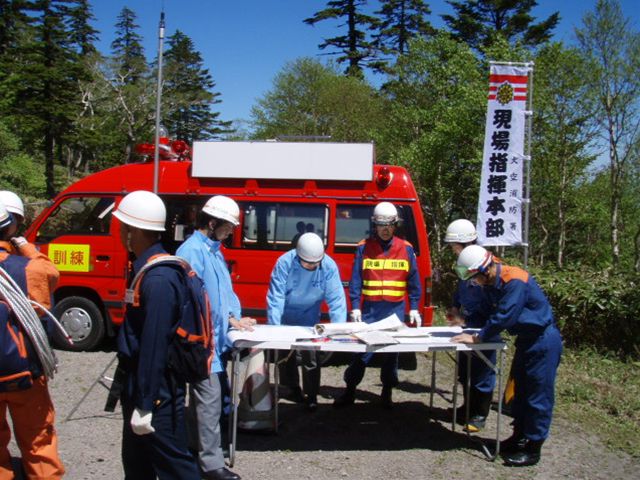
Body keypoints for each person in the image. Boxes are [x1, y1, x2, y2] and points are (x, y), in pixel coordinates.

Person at [113, 190, 200, 480]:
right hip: (143, 384)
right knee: (137, 467)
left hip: (157, 390)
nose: (119, 232)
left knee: (176, 467)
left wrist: (146, 402)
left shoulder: (159, 279)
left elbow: (154, 345)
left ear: (133, 231)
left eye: (123, 227)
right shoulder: (147, 269)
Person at [451, 245, 563, 467]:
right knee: (519, 392)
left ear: (485, 269)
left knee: (537, 395)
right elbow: (485, 313)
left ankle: (533, 447)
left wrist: (478, 337)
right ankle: (518, 438)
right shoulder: (490, 284)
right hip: (525, 341)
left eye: (475, 277)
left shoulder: (514, 280)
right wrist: (464, 322)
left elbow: (505, 316)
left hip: (543, 340)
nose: (475, 283)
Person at [176, 195, 255, 480]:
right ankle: (211, 466)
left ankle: (194, 449)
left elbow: (222, 292)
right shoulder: (191, 251)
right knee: (210, 401)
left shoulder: (214, 251)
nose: (231, 231)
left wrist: (233, 318)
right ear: (212, 223)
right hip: (202, 341)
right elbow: (193, 300)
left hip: (215, 340)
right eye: (228, 226)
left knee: (206, 399)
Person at [334, 201, 422, 409]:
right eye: (381, 225)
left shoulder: (406, 249)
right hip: (370, 312)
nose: (385, 229)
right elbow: (356, 279)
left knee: (391, 355)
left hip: (394, 312)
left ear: (395, 225)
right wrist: (355, 306)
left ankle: (387, 392)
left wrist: (414, 307)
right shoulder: (363, 247)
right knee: (361, 353)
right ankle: (350, 391)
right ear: (375, 224)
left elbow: (414, 281)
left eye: (389, 225)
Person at [0, 201, 65, 479]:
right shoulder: (27, 268)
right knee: (38, 439)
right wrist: (25, 246)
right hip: (25, 370)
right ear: (11, 228)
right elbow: (51, 273)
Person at [267, 232, 347, 411]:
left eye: (315, 263)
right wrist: (275, 328)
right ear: (298, 256)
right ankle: (292, 389)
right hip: (286, 315)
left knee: (311, 356)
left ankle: (311, 394)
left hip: (309, 317)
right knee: (285, 356)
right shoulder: (284, 263)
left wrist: (338, 329)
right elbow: (276, 296)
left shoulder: (328, 266)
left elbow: (336, 299)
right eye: (307, 263)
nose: (312, 266)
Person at [443, 219, 496, 432]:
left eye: (454, 246)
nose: (453, 250)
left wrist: (469, 321)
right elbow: (460, 288)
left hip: (482, 327)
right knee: (465, 371)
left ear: (466, 243)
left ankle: (479, 415)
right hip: (466, 326)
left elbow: (490, 302)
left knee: (482, 371)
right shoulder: (465, 261)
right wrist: (455, 308)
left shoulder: (483, 264)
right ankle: (466, 408)